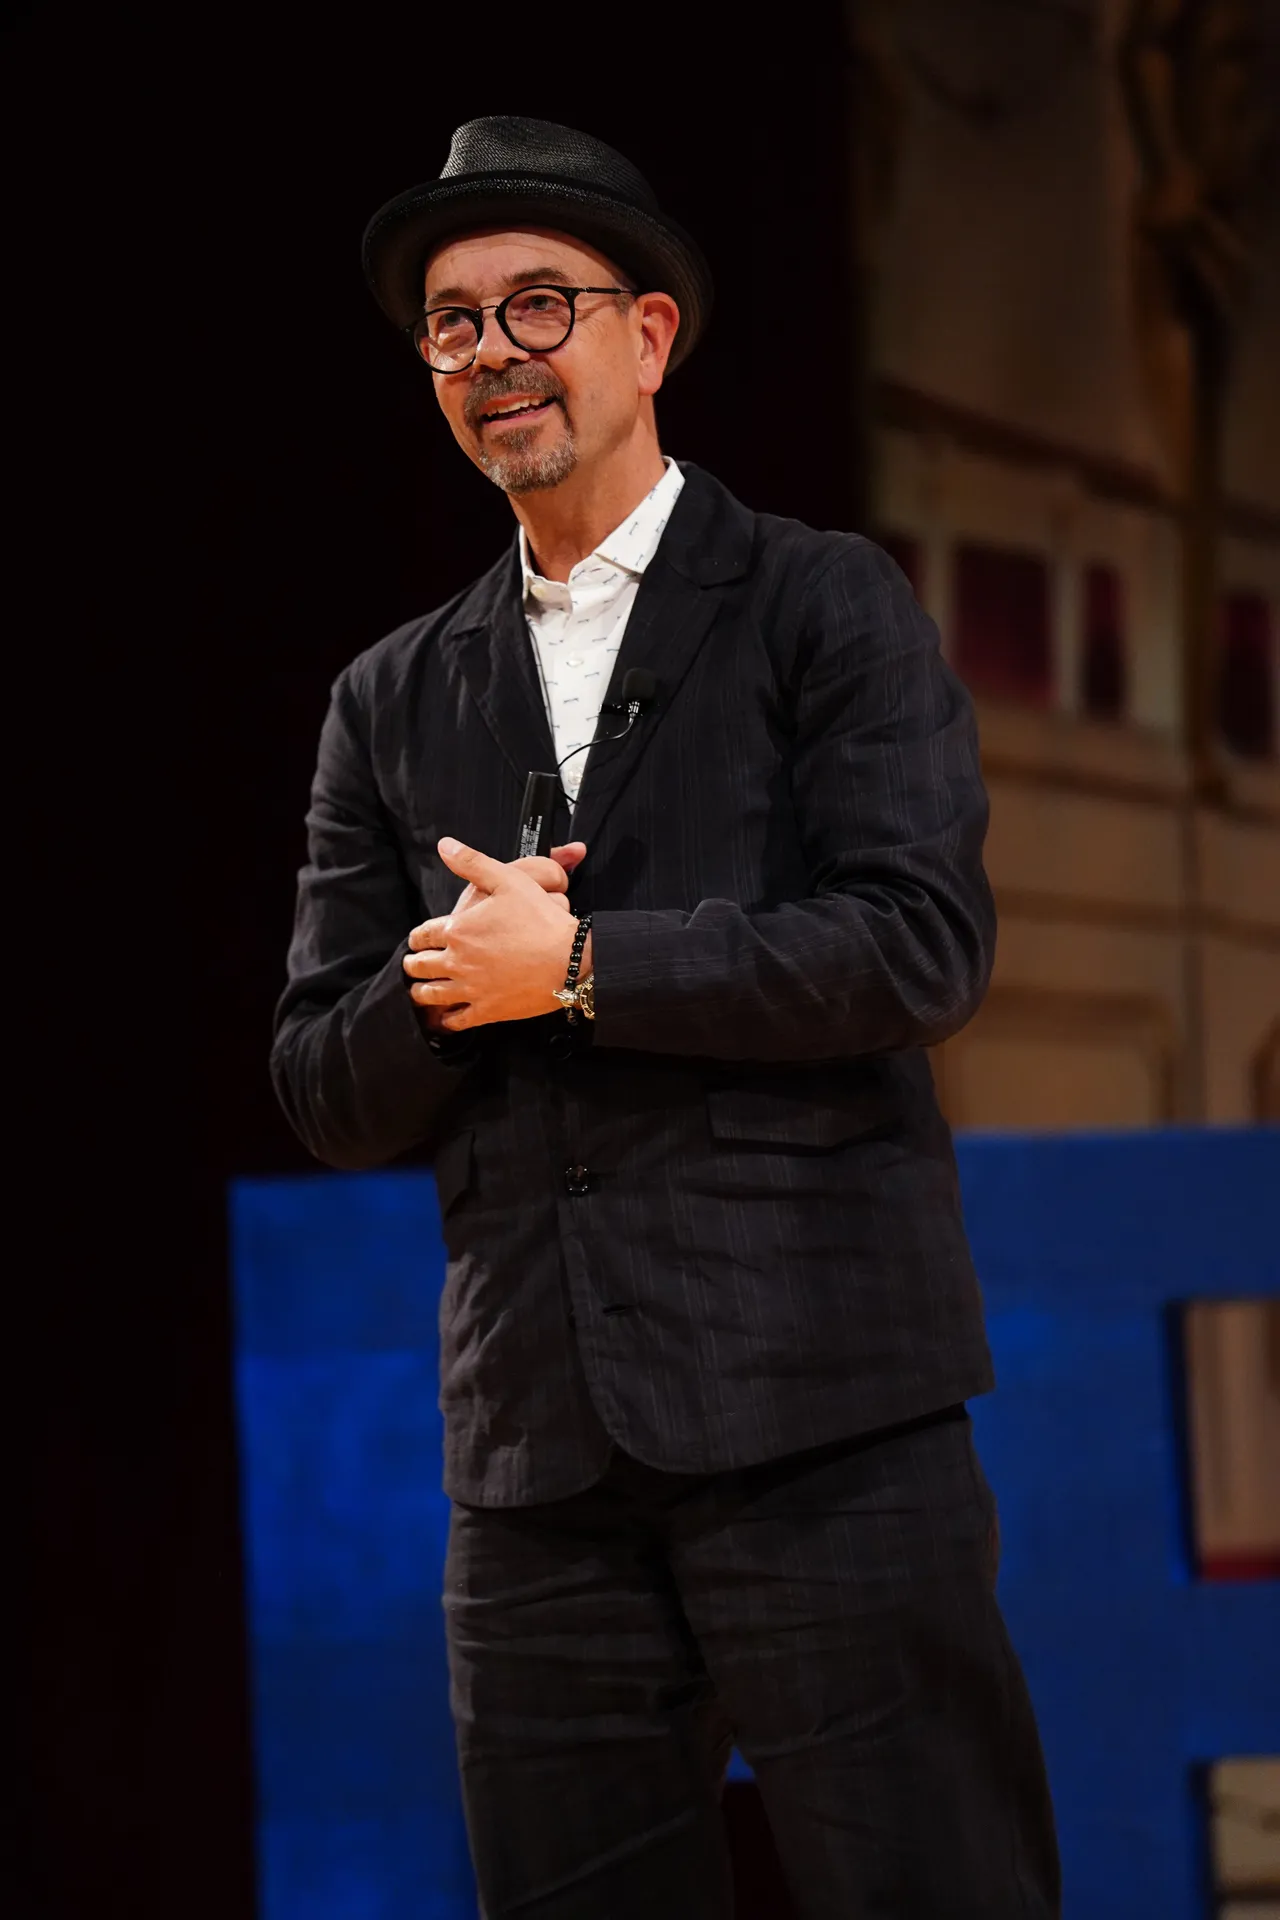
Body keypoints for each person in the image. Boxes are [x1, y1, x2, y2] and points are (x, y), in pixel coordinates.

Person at [272, 115, 1060, 1920]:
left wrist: (585, 970)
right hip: (536, 1467)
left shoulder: (820, 601)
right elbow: (321, 1079)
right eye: (453, 324)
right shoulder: (388, 697)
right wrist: (454, 982)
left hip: (823, 1426)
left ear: (649, 336)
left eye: (537, 303)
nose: (493, 352)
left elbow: (916, 946)